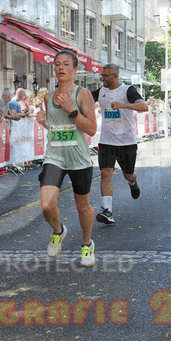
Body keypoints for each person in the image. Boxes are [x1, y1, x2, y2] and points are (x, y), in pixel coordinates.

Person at [35, 49, 98, 267]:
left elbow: (91, 129)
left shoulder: (83, 94)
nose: (61, 67)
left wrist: (72, 109)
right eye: (57, 64)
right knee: (46, 205)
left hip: (79, 159)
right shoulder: (48, 97)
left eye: (66, 64)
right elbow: (56, 127)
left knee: (83, 206)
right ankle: (58, 230)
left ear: (75, 69)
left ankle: (87, 244)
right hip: (54, 157)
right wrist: (44, 122)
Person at [91, 63, 148, 225]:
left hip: (126, 142)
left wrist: (124, 105)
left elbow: (144, 106)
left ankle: (132, 182)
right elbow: (83, 100)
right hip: (106, 142)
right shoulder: (101, 92)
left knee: (128, 174)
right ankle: (107, 211)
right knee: (105, 173)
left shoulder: (127, 90)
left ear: (115, 76)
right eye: (102, 75)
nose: (102, 78)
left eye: (105, 76)